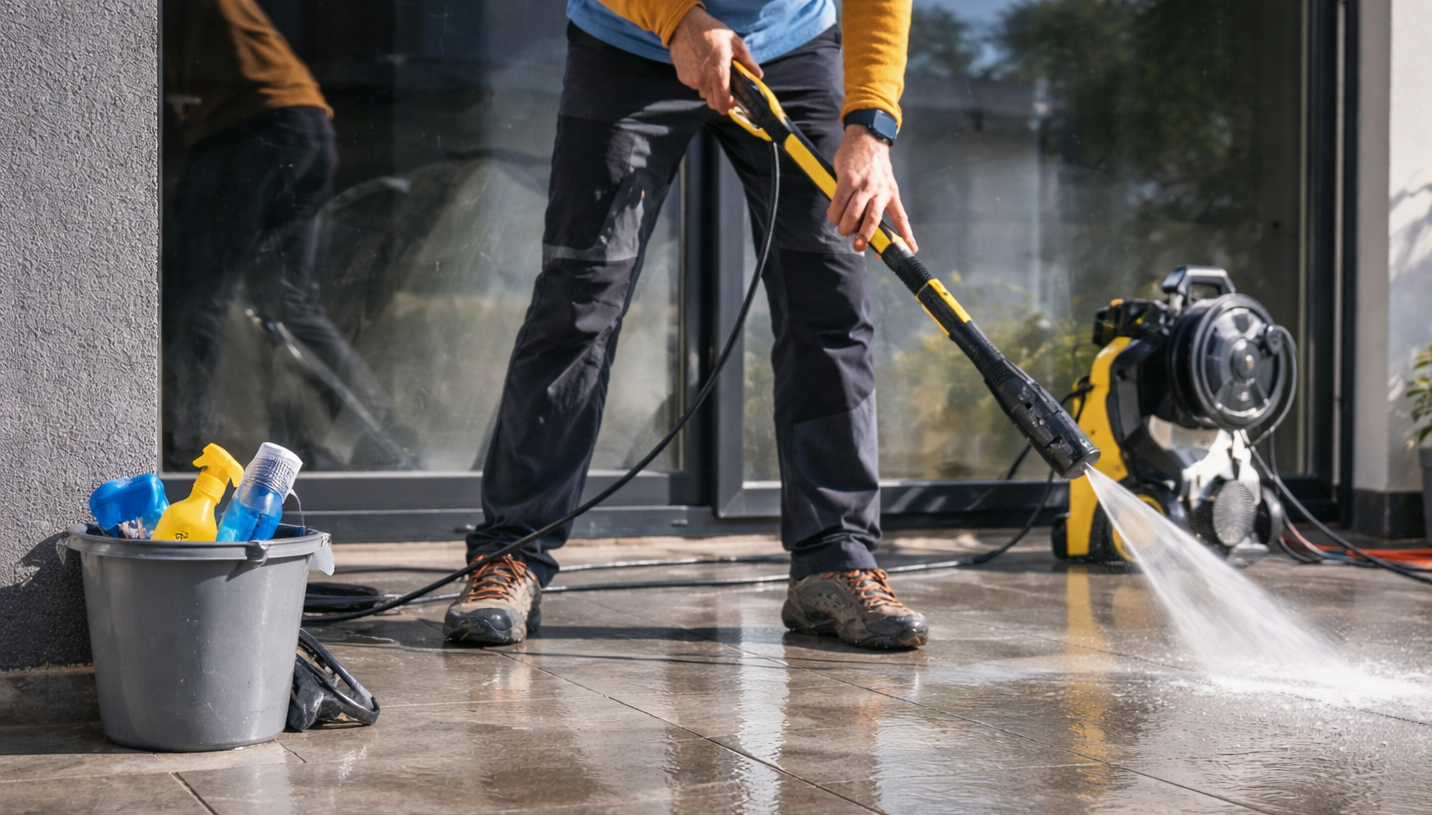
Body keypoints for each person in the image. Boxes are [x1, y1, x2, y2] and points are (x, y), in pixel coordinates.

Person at [447, 0, 930, 650]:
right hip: (629, 43)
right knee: (580, 297)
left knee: (830, 301)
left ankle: (835, 557)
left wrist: (870, 125)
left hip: (789, 50)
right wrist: (677, 20)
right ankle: (510, 553)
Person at [162, 0, 406, 471]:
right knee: (290, 304)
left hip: (247, 127)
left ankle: (189, 449)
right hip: (304, 123)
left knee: (196, 296)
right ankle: (388, 440)